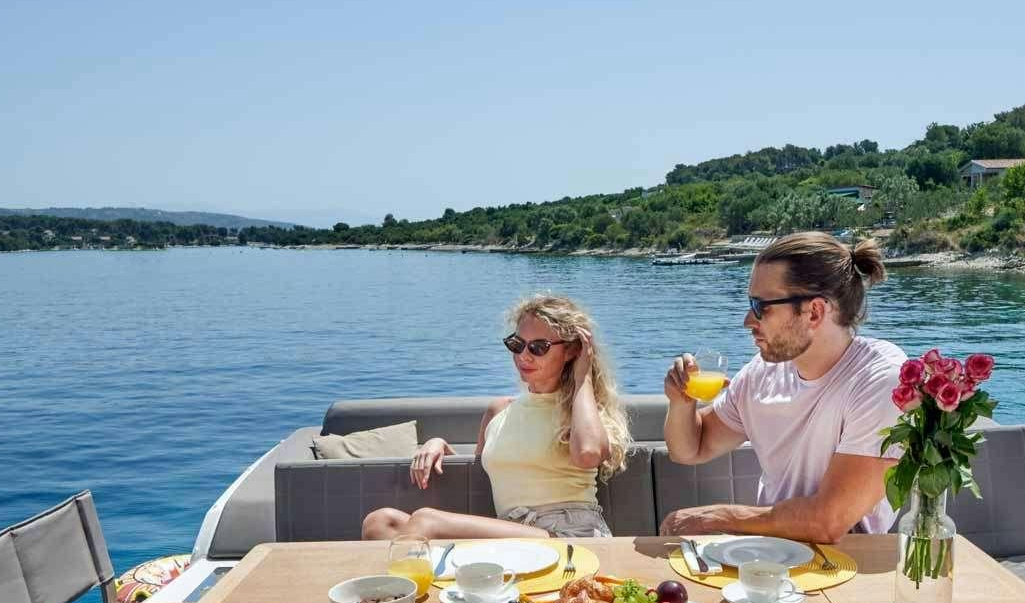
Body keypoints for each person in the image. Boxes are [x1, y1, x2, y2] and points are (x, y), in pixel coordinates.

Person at [660, 231, 907, 543]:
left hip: (847, 564)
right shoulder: (762, 374)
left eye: (761, 306)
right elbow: (690, 448)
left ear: (814, 312)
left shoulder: (880, 379)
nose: (748, 320)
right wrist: (682, 402)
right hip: (772, 556)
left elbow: (827, 522)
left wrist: (716, 518)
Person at [362, 294, 631, 540]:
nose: (523, 356)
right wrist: (439, 444)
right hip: (514, 535)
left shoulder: (581, 411)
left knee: (426, 521)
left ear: (572, 351)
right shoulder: (499, 411)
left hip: (570, 535)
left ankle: (403, 591)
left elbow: (588, 453)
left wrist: (582, 375)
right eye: (517, 344)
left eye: (538, 347)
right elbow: (482, 477)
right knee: (380, 522)